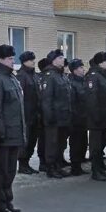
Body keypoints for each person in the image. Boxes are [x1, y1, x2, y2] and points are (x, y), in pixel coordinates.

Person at [0, 44, 26, 212]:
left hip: (15, 132)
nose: (12, 61)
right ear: (1, 59)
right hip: (4, 135)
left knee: (10, 171)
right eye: (9, 58)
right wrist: (0, 132)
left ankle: (8, 200)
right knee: (1, 171)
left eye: (12, 58)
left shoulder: (12, 78)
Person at [40, 49, 72, 179]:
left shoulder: (62, 75)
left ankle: (57, 165)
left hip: (63, 117)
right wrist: (49, 116)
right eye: (60, 58)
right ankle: (50, 167)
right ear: (53, 60)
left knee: (60, 143)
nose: (63, 60)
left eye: (63, 57)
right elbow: (47, 99)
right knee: (52, 144)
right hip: (53, 118)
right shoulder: (49, 75)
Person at [84, 52, 106, 181]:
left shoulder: (104, 76)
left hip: (104, 117)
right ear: (100, 63)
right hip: (96, 118)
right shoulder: (93, 76)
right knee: (95, 146)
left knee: (102, 143)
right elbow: (92, 99)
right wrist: (96, 116)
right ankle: (96, 170)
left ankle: (100, 168)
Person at [16, 51, 40, 175]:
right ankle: (22, 164)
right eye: (31, 60)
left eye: (33, 59)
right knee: (26, 140)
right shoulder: (21, 76)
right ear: (24, 62)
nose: (33, 62)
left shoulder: (34, 75)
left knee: (32, 140)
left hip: (35, 113)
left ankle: (27, 162)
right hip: (26, 114)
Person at [67, 59, 88, 176]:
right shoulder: (72, 83)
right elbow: (73, 103)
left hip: (84, 118)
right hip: (76, 119)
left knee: (83, 142)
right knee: (76, 143)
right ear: (75, 70)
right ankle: (75, 166)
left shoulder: (83, 81)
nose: (83, 69)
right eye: (80, 68)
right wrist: (76, 117)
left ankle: (79, 163)